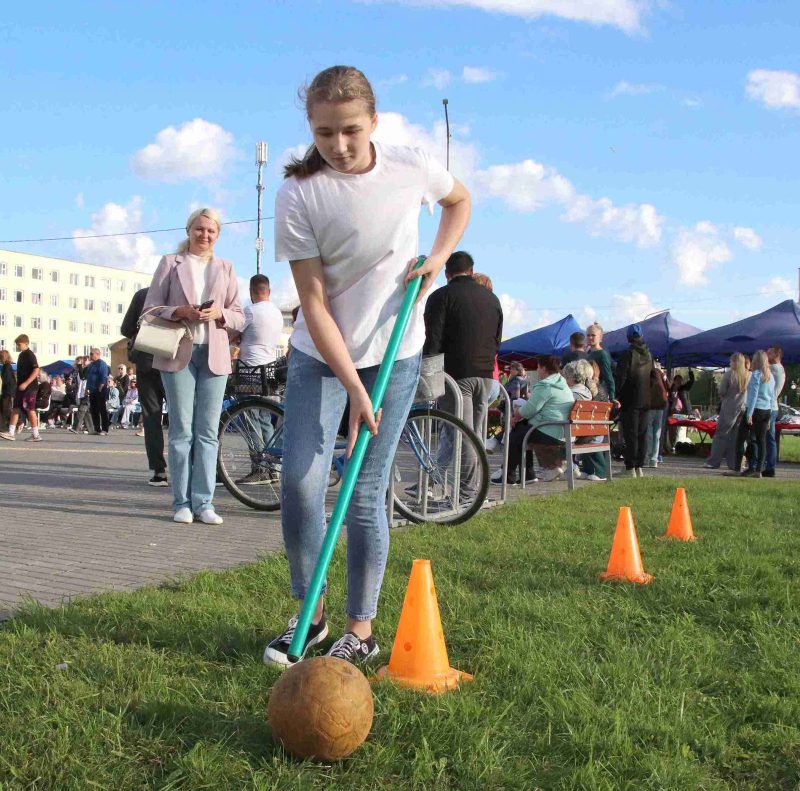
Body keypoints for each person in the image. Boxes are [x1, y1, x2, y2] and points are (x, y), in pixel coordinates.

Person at [263, 65, 470, 668]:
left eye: (350, 130)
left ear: (374, 121)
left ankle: (362, 626)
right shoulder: (298, 194)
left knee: (364, 490)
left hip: (397, 352)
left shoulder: (411, 165)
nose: (339, 145)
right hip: (321, 356)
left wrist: (437, 258)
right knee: (301, 482)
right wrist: (353, 386)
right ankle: (311, 613)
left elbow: (458, 201)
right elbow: (313, 303)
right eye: (324, 133)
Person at [144, 206, 244, 523]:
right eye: (199, 229)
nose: (204, 235)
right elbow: (150, 309)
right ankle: (181, 503)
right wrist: (180, 311)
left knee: (208, 433)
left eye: (210, 230)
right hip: (178, 353)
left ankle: (204, 503)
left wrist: (220, 314)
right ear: (189, 230)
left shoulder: (226, 268)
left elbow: (240, 315)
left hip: (214, 354)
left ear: (217, 235)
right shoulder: (170, 263)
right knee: (182, 430)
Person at [495, 355, 574, 484]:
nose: (537, 370)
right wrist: (519, 417)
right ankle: (527, 475)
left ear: (543, 368)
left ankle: (509, 475)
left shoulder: (545, 385)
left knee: (516, 435)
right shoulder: (562, 384)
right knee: (520, 431)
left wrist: (516, 414)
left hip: (549, 431)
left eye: (538, 367)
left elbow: (530, 409)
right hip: (562, 430)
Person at [121, 286, 169, 485]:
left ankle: (159, 471)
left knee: (151, 417)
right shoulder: (175, 293)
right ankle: (189, 466)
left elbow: (125, 329)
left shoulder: (142, 294)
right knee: (183, 417)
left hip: (146, 361)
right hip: (173, 361)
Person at [614, 323, 654, 477]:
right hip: (646, 398)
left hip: (630, 399)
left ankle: (630, 468)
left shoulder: (628, 354)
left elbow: (621, 377)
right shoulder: (648, 354)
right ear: (641, 336)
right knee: (642, 434)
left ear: (628, 338)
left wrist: (616, 395)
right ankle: (639, 467)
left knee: (630, 434)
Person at [729, 349, 775, 478]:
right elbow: (772, 397)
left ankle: (738, 467)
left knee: (741, 438)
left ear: (756, 360)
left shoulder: (756, 375)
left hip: (755, 410)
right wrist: (770, 417)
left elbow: (753, 395)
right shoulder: (770, 376)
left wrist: (749, 413)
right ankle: (758, 469)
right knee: (761, 441)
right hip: (766, 411)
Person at [704, 352, 749, 470]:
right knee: (736, 437)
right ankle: (735, 463)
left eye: (731, 361)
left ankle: (714, 461)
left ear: (735, 362)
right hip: (743, 407)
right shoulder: (749, 375)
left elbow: (722, 391)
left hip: (729, 406)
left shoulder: (729, 375)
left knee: (721, 435)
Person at [0, 335, 42, 442]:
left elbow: (36, 370)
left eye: (19, 344)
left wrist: (26, 383)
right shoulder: (21, 355)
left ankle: (36, 435)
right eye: (17, 344)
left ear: (26, 343)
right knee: (16, 408)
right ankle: (11, 432)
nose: (18, 346)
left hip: (29, 387)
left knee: (30, 409)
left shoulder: (29, 355)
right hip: (20, 387)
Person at [238, 274, 285, 366]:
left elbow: (231, 334)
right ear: (269, 291)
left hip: (250, 370)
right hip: (270, 369)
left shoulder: (249, 311)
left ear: (250, 292)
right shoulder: (277, 312)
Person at [763, 346, 786, 477]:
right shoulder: (781, 369)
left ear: (775, 355)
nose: (767, 355)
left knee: (767, 437)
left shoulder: (773, 369)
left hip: (769, 406)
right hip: (773, 406)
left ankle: (769, 465)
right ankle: (769, 464)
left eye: (769, 353)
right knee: (770, 437)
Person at [644, 361, 669, 468]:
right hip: (661, 405)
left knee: (649, 432)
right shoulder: (661, 374)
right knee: (657, 433)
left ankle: (647, 458)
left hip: (650, 405)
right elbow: (669, 386)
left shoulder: (648, 373)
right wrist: (664, 375)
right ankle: (654, 459)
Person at [664, 369, 696, 453]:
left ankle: (674, 445)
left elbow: (692, 380)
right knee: (672, 428)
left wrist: (690, 370)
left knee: (673, 422)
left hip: (683, 414)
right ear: (674, 381)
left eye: (680, 381)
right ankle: (671, 446)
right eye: (677, 381)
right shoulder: (670, 391)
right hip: (673, 413)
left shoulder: (684, 389)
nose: (679, 383)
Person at [586, 323, 616, 405]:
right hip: (589, 392)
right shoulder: (588, 354)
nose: (590, 338)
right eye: (588, 335)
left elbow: (608, 376)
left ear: (600, 337)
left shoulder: (602, 354)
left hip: (599, 394)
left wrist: (612, 397)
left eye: (593, 335)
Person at [85, 348, 111, 435]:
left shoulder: (101, 364)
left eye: (92, 354)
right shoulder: (91, 365)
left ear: (97, 354)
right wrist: (86, 388)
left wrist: (101, 386)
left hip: (100, 389)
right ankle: (97, 428)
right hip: (92, 390)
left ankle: (105, 429)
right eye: (90, 354)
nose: (90, 355)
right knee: (94, 410)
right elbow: (88, 377)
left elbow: (103, 375)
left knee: (102, 409)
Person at [0, 349, 16, 432]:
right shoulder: (7, 366)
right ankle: (3, 428)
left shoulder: (6, 367)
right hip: (8, 391)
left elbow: (6, 380)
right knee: (3, 409)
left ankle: (19, 422)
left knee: (6, 409)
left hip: (8, 391)